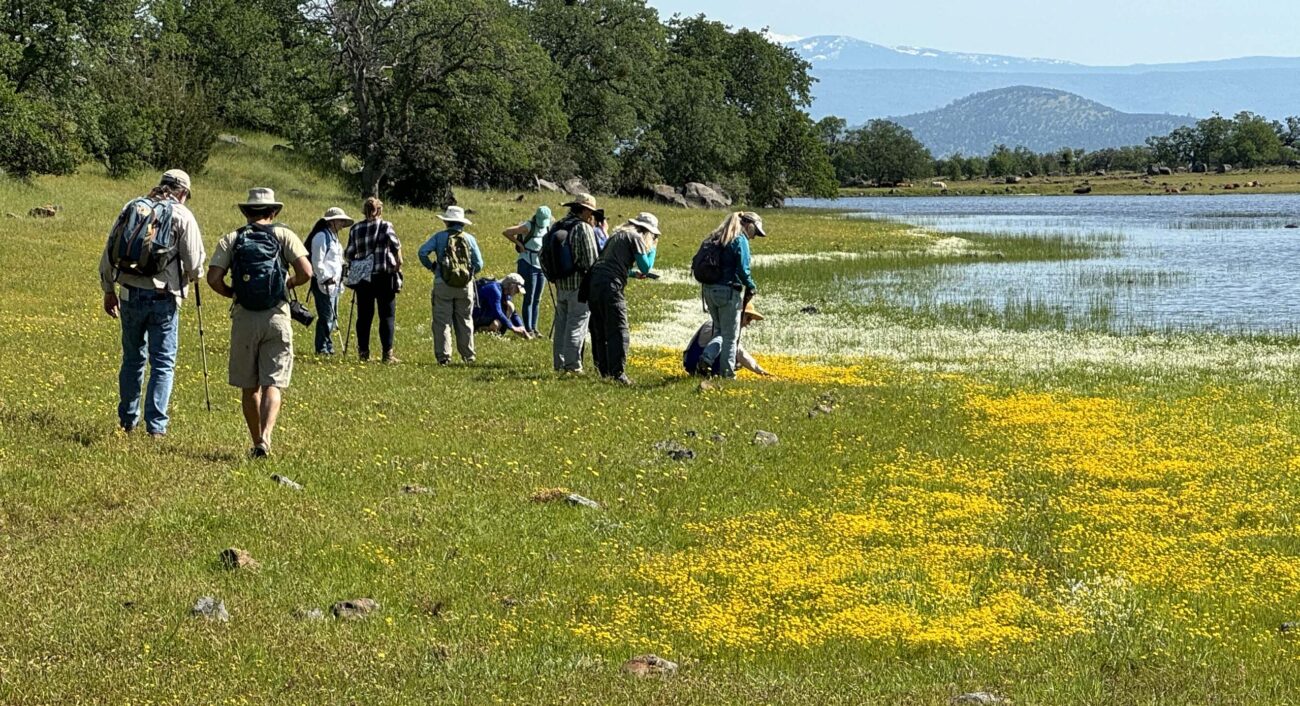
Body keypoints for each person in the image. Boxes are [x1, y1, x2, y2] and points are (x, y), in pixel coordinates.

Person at [206, 188, 312, 458]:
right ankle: (266, 437)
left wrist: (233, 292)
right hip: (277, 314)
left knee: (249, 386)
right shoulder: (283, 235)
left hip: (244, 318)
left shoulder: (232, 238)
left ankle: (256, 441)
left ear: (246, 213)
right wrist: (288, 284)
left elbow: (213, 279)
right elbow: (306, 272)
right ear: (273, 212)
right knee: (272, 384)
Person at [99, 169, 206, 438]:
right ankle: (156, 428)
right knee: (162, 363)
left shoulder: (132, 206)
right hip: (164, 297)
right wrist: (195, 275)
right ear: (183, 192)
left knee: (132, 359)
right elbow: (194, 266)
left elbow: (109, 251)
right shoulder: (182, 215)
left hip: (128, 292)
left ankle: (126, 421)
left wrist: (108, 290)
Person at [587, 212, 660, 384]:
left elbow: (610, 263)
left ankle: (603, 370)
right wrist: (654, 247)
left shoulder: (617, 235)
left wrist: (631, 274)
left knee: (600, 329)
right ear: (647, 232)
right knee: (619, 329)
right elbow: (646, 267)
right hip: (611, 286)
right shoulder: (635, 237)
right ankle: (618, 374)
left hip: (594, 283)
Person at [695, 211, 766, 378]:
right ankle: (727, 374)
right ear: (749, 225)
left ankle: (706, 359)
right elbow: (743, 269)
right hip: (727, 292)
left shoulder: (715, 237)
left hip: (708, 291)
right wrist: (751, 285)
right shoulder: (739, 239)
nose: (754, 237)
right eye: (755, 232)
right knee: (731, 337)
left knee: (720, 331)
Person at [417, 205, 484, 365]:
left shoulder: (439, 237)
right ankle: (468, 356)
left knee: (442, 322)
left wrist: (432, 267)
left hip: (443, 283)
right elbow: (479, 264)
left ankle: (444, 357)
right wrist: (469, 273)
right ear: (462, 223)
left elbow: (422, 252)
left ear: (447, 222)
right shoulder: (469, 239)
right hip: (464, 285)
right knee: (465, 320)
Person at [344, 197, 404, 363]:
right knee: (387, 316)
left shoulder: (355, 228)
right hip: (383, 276)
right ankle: (387, 355)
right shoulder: (385, 226)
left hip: (363, 279)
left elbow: (349, 253)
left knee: (364, 316)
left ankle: (363, 353)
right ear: (379, 210)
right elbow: (395, 246)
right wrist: (398, 265)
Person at [549, 193, 600, 373]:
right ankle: (572, 366)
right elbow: (591, 259)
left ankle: (559, 363)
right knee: (576, 325)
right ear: (584, 210)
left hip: (560, 284)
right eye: (590, 212)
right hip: (580, 285)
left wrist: (552, 276)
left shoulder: (557, 225)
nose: (591, 216)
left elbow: (542, 254)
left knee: (561, 326)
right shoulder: (583, 229)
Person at [305, 207, 355, 355]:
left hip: (335, 284)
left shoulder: (334, 238)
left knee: (333, 316)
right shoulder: (321, 237)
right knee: (326, 316)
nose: (342, 223)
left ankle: (328, 346)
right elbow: (317, 261)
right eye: (340, 220)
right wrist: (324, 277)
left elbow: (337, 260)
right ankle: (322, 349)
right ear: (332, 221)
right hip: (324, 283)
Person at [684, 301, 771, 377]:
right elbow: (739, 352)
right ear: (737, 315)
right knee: (732, 353)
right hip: (694, 360)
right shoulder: (716, 325)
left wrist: (759, 370)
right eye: (748, 318)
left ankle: (712, 373)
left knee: (737, 361)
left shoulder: (721, 325)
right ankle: (708, 369)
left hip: (694, 360)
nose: (748, 323)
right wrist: (760, 371)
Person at [501, 206, 551, 337]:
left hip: (541, 265)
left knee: (537, 298)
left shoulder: (547, 227)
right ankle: (528, 328)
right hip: (527, 263)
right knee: (529, 297)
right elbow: (506, 232)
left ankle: (534, 328)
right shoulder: (528, 226)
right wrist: (520, 244)